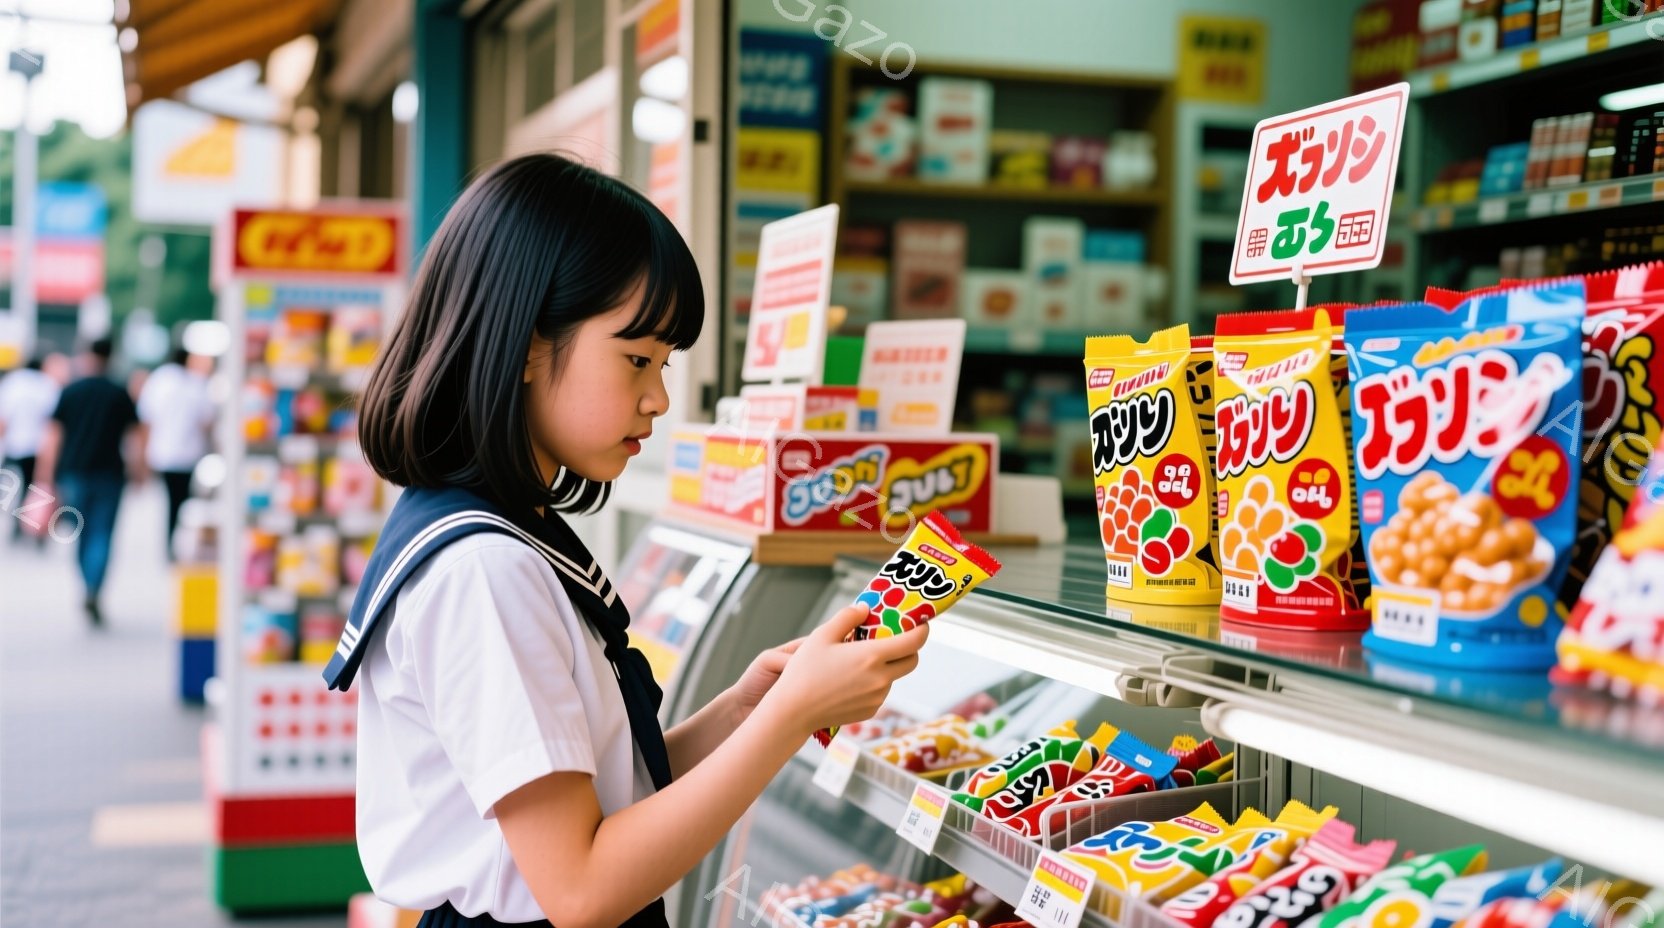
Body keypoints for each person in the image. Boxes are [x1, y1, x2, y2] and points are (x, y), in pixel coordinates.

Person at [322, 154, 928, 928]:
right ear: (527, 343)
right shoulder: (485, 568)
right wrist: (788, 719)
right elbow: (580, 889)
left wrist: (747, 711)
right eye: (637, 358)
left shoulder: (492, 531)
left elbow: (599, 795)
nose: (659, 397)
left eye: (664, 363)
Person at [37, 337, 144, 625]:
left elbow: (54, 436)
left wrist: (45, 473)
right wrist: (139, 471)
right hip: (110, 474)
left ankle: (87, 583)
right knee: (103, 533)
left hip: (74, 473)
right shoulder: (119, 393)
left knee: (81, 532)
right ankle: (94, 587)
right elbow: (134, 437)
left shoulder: (71, 391)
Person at [139, 347, 217, 556]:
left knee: (169, 501)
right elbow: (207, 420)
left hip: (162, 453)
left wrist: (143, 454)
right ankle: (176, 542)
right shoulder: (196, 383)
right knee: (182, 501)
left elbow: (147, 419)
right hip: (189, 454)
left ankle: (169, 542)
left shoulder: (158, 380)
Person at [0, 354, 64, 543]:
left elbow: (4, 417)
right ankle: (32, 526)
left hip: (13, 444)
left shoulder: (13, 382)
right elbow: (53, 422)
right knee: (33, 487)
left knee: (9, 485)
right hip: (38, 446)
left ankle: (16, 526)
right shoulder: (48, 385)